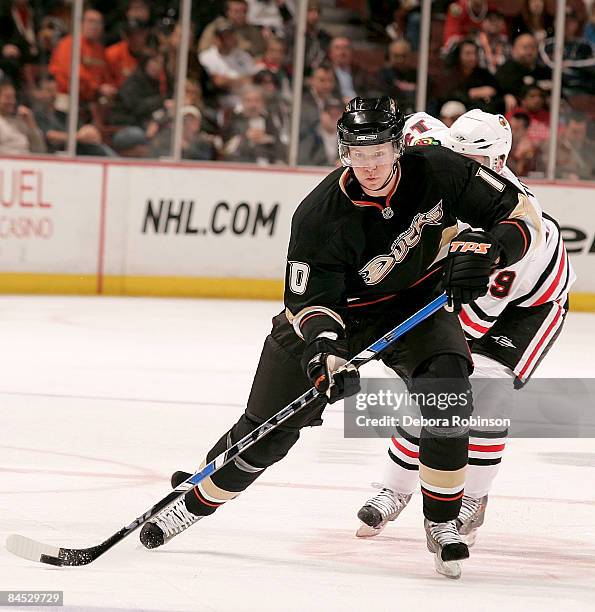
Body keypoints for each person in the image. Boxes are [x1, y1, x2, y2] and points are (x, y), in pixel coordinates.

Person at [136, 96, 543, 579]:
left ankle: (442, 522)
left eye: (378, 153)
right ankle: (195, 503)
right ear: (342, 152)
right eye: (356, 154)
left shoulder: (437, 168)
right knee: (267, 431)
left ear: (399, 147)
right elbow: (310, 303)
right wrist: (325, 353)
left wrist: (493, 247)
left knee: (448, 391)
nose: (368, 167)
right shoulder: (318, 216)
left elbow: (519, 211)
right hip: (339, 318)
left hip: (414, 303)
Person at [355, 109, 574, 549]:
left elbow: (480, 310)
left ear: (495, 163)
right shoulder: (456, 186)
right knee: (435, 393)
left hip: (530, 308)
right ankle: (394, 490)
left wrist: (427, 346)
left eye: (471, 161)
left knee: (481, 393)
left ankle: (472, 498)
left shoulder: (514, 216)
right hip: (482, 299)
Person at [48, 9, 117, 112]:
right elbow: (72, 72)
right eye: (90, 21)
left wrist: (109, 88)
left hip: (92, 100)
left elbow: (106, 75)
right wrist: (98, 88)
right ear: (81, 23)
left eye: (98, 23)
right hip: (68, 98)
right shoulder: (69, 43)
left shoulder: (100, 50)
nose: (94, 26)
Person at [0, 79, 45, 154]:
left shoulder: (20, 121)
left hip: (28, 162)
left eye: (13, 97)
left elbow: (40, 149)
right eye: (7, 97)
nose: (12, 101)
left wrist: (32, 125)